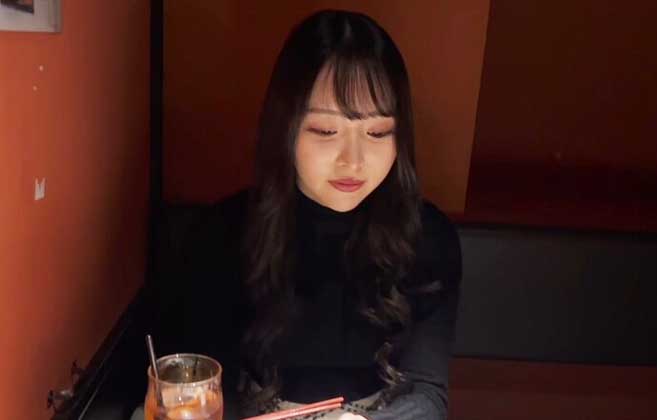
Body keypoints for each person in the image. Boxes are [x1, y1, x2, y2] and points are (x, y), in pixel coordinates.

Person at [157, 9, 461, 420]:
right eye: (326, 131)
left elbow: (428, 394)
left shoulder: (428, 238)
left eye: (377, 133)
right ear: (286, 128)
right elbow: (203, 388)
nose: (353, 161)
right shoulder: (225, 234)